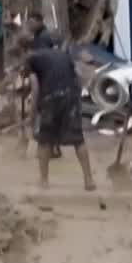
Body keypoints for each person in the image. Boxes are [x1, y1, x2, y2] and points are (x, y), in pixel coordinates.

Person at [26, 36, 96, 190]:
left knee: (44, 140)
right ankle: (89, 180)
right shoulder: (64, 55)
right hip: (71, 97)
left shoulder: (32, 58)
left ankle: (44, 181)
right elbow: (77, 78)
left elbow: (35, 88)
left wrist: (33, 114)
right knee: (78, 139)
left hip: (51, 98)